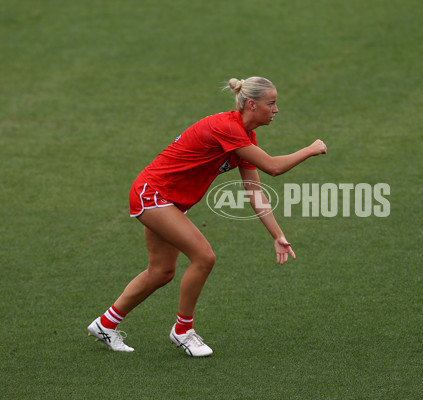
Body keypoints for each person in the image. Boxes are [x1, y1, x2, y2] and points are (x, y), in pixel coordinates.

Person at [87, 76, 327, 357]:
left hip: (168, 200)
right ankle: (182, 332)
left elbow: (254, 192)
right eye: (271, 103)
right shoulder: (227, 127)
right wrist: (311, 149)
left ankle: (105, 324)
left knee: (161, 271)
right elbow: (273, 167)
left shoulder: (245, 137)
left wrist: (278, 235)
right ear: (251, 104)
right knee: (204, 257)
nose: (276, 110)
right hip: (153, 195)